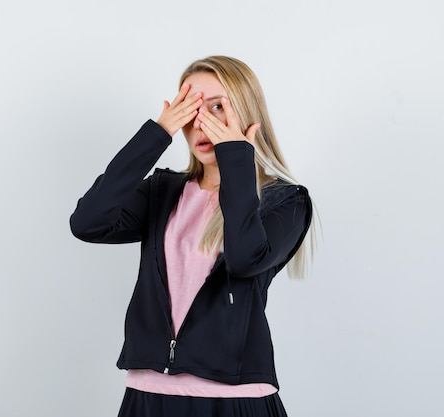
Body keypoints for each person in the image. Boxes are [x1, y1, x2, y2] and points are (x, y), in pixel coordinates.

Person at [70, 55, 315, 417]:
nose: (202, 122)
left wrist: (236, 159)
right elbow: (88, 222)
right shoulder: (163, 192)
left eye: (217, 107)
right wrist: (156, 134)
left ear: (246, 114)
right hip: (147, 396)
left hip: (234, 400)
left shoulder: (284, 201)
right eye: (191, 107)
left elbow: (245, 259)